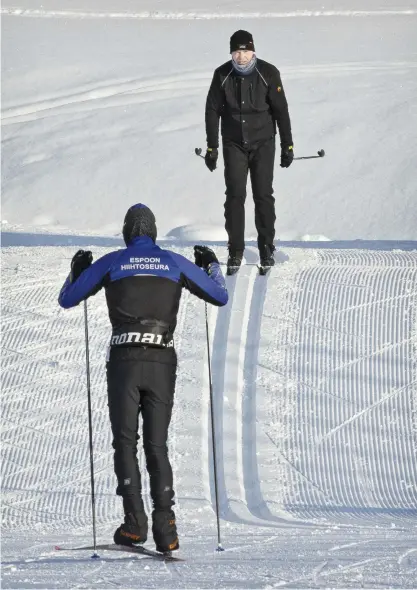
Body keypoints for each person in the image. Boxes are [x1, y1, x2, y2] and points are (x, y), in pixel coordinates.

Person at [58, 204, 228, 553]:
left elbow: (68, 299)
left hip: (124, 359)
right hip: (162, 359)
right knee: (157, 444)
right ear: (153, 232)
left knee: (125, 442)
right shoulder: (172, 262)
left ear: (126, 233)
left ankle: (135, 523)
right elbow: (219, 295)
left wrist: (75, 271)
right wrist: (211, 263)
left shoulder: (112, 262)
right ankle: (166, 528)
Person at [205, 30, 294, 274]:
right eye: (236, 51)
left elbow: (281, 110)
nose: (241, 57)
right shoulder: (222, 74)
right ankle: (235, 250)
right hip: (233, 143)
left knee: (263, 195)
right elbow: (212, 111)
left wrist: (288, 144)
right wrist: (212, 147)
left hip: (263, 142)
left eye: (245, 51)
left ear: (253, 51)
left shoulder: (268, 73)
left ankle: (266, 247)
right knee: (235, 195)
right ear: (231, 53)